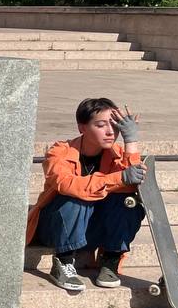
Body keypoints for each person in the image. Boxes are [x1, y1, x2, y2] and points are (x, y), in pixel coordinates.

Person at [27, 97, 146, 291]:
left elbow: (133, 186)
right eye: (101, 125)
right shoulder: (59, 152)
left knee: (128, 202)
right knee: (76, 197)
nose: (110, 132)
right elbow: (67, 185)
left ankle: (110, 260)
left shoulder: (116, 154)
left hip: (92, 229)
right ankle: (63, 262)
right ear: (82, 127)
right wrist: (119, 178)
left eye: (115, 125)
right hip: (56, 227)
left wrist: (130, 141)